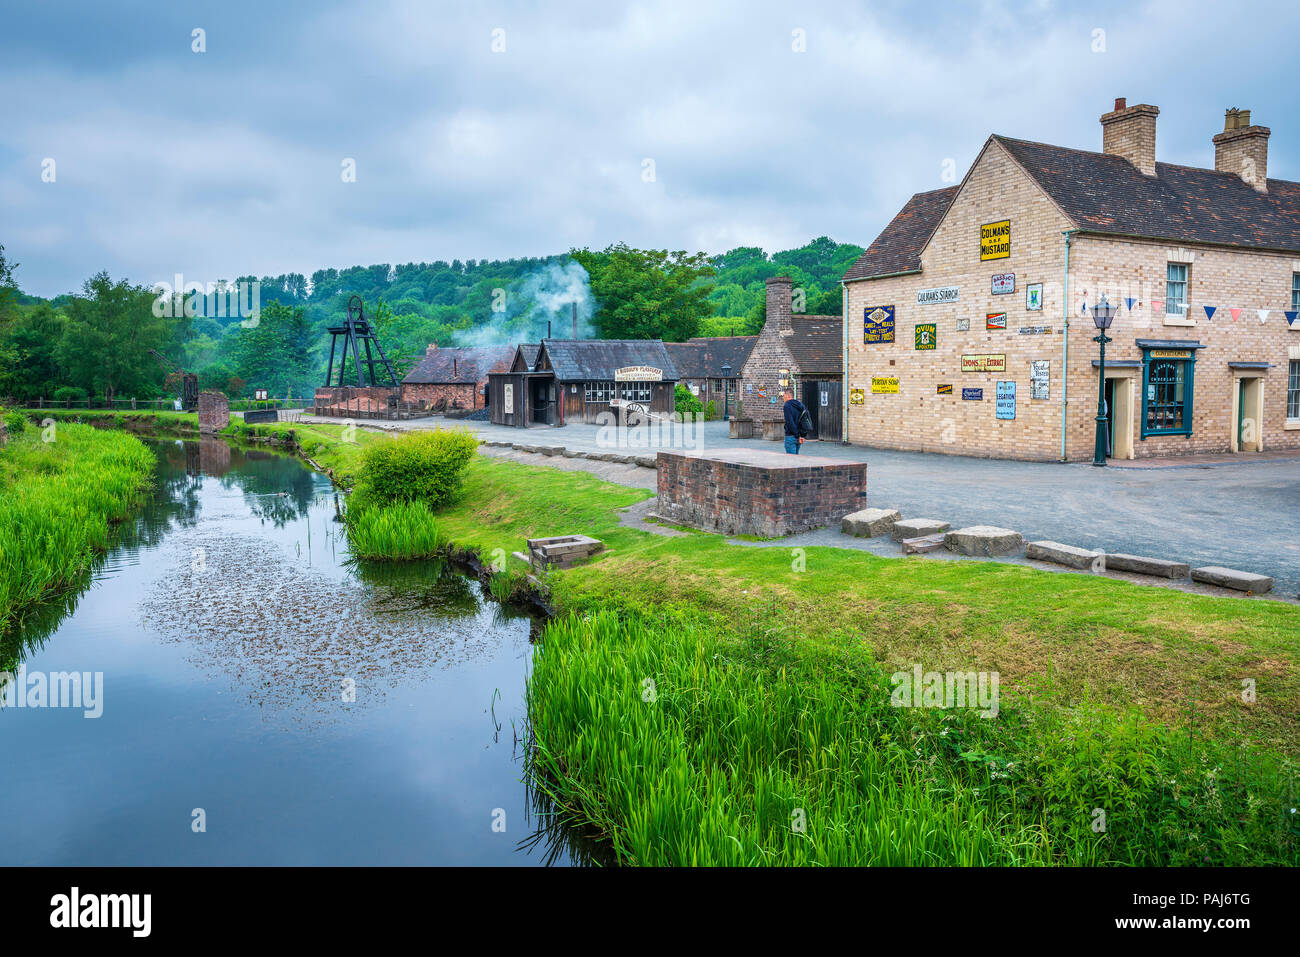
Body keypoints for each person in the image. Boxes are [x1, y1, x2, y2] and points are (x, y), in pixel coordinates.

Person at [782, 389, 809, 454]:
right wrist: (802, 436)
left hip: (791, 436)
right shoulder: (800, 405)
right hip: (799, 437)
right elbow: (805, 420)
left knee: (791, 461)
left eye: (783, 395)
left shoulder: (787, 405)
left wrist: (797, 435)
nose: (782, 397)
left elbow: (790, 422)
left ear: (788, 396)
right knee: (796, 459)